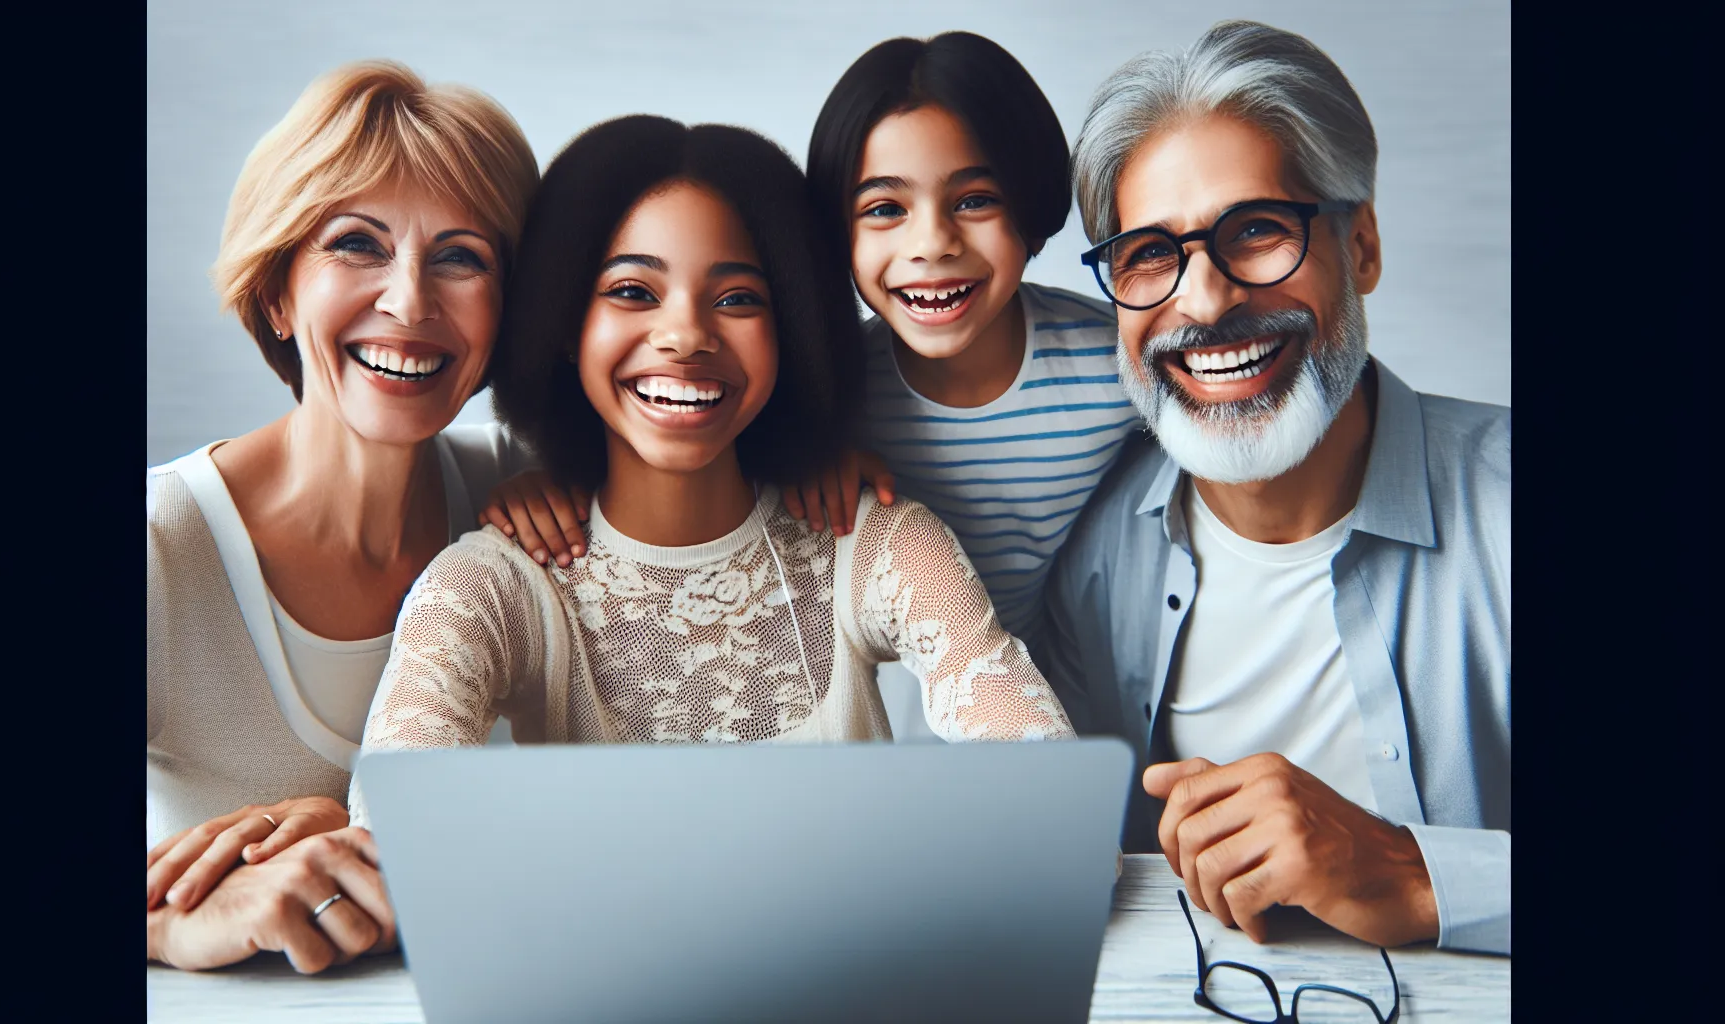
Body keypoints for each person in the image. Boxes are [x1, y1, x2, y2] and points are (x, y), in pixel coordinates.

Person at [345, 115, 1073, 825]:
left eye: (738, 299)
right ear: (567, 324)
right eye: (632, 291)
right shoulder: (487, 586)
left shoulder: (881, 547)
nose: (686, 336)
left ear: (791, 334)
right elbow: (394, 839)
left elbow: (1057, 807)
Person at [479, 34, 1142, 740]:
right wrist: (539, 478)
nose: (933, 244)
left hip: (1064, 693)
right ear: (833, 239)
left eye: (975, 199)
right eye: (885, 208)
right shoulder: (831, 389)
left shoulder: (1117, 363)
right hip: (890, 713)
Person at [1042, 20, 1510, 955]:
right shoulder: (1088, 554)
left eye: (1256, 230)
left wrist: (1410, 874)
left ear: (1362, 246)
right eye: (1148, 254)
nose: (1206, 300)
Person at [145, 60, 540, 973]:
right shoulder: (159, 548)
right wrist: (169, 923)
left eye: (462, 257)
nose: (410, 302)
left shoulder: (528, 501)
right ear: (277, 291)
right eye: (356, 244)